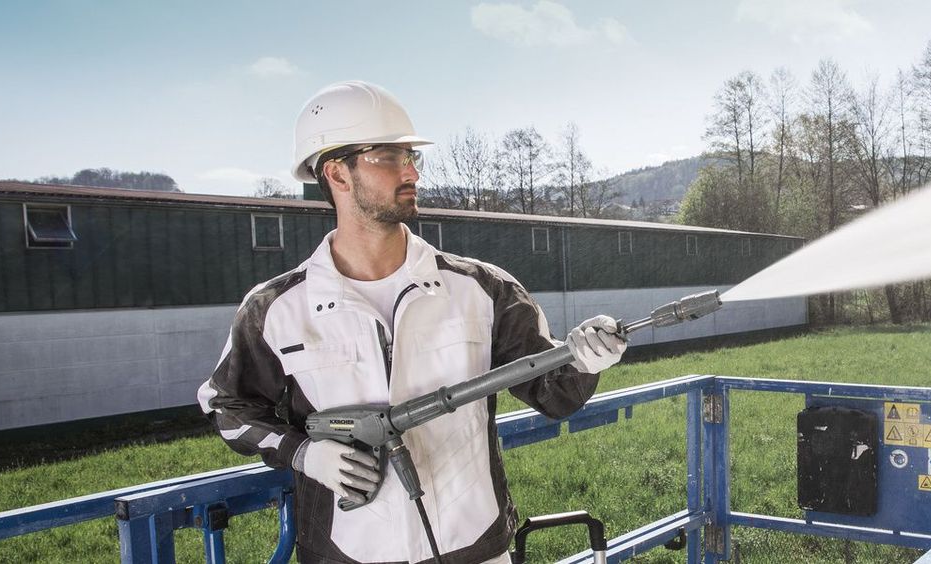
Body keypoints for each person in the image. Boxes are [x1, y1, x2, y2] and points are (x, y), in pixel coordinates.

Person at [197, 80, 624, 564]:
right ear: (337, 173)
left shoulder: (483, 289)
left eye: (412, 157)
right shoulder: (277, 308)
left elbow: (556, 394)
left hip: (476, 549)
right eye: (390, 157)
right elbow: (224, 405)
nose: (412, 171)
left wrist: (586, 361)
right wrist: (303, 453)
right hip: (347, 554)